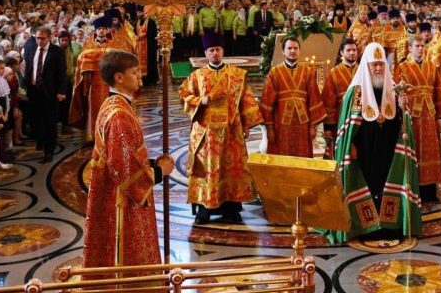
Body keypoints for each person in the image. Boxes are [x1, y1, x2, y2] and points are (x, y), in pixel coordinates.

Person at [83, 50, 174, 270]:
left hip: (111, 189)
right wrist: (159, 172)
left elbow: (124, 153)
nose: (139, 76)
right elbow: (123, 168)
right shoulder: (119, 115)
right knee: (127, 253)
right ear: (119, 77)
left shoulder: (113, 104)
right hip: (121, 199)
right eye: (134, 72)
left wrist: (149, 163)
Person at [325, 43, 422, 243]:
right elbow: (348, 126)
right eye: (373, 65)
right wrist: (351, 146)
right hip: (364, 149)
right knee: (368, 183)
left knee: (384, 182)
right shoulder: (356, 92)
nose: (378, 68)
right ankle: (366, 226)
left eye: (380, 64)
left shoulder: (392, 89)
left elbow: (401, 123)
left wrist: (403, 107)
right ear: (366, 66)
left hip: (387, 147)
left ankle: (388, 223)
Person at [178, 33, 263, 225]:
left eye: (217, 49)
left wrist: (247, 124)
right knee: (207, 169)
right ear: (206, 53)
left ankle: (231, 209)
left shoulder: (237, 75)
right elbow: (184, 96)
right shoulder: (197, 76)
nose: (215, 53)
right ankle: (204, 210)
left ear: (223, 51)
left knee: (230, 170)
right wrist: (202, 100)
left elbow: (246, 99)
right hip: (206, 134)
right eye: (211, 50)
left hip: (231, 132)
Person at [393, 35, 441, 203]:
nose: (421, 49)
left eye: (422, 46)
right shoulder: (402, 67)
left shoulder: (432, 66)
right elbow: (396, 91)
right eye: (417, 46)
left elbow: (439, 90)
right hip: (411, 113)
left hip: (429, 114)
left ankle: (430, 190)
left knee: (430, 150)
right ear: (410, 48)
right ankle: (414, 188)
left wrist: (440, 116)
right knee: (414, 148)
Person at [259, 37, 325, 158]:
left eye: (295, 48)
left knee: (301, 158)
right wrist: (270, 128)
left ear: (299, 51)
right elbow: (267, 102)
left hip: (303, 126)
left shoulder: (308, 72)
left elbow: (314, 100)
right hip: (280, 126)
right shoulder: (275, 72)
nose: (292, 51)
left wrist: (312, 127)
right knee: (281, 159)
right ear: (283, 51)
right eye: (289, 48)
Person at [23, 26, 67, 162]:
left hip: (50, 92)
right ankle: (40, 140)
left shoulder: (57, 51)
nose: (40, 41)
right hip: (33, 91)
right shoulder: (31, 49)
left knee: (50, 122)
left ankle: (49, 151)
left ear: (49, 38)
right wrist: (26, 86)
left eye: (42, 38)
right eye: (37, 38)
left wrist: (61, 91)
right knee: (36, 119)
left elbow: (62, 73)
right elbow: (29, 67)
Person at [322, 39, 358, 158]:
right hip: (340, 119)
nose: (352, 53)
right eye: (348, 50)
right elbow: (328, 102)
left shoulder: (363, 70)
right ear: (342, 53)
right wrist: (328, 127)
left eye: (354, 50)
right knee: (342, 153)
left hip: (361, 119)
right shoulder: (334, 73)